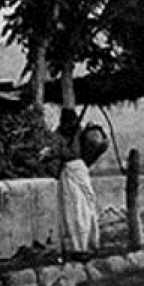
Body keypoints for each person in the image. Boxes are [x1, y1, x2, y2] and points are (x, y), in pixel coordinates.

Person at [41, 108, 100, 261]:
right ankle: (76, 247)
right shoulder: (58, 136)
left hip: (80, 171)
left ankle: (89, 244)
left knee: (87, 208)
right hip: (68, 174)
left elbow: (92, 146)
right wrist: (54, 153)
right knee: (73, 211)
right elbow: (60, 153)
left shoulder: (81, 134)